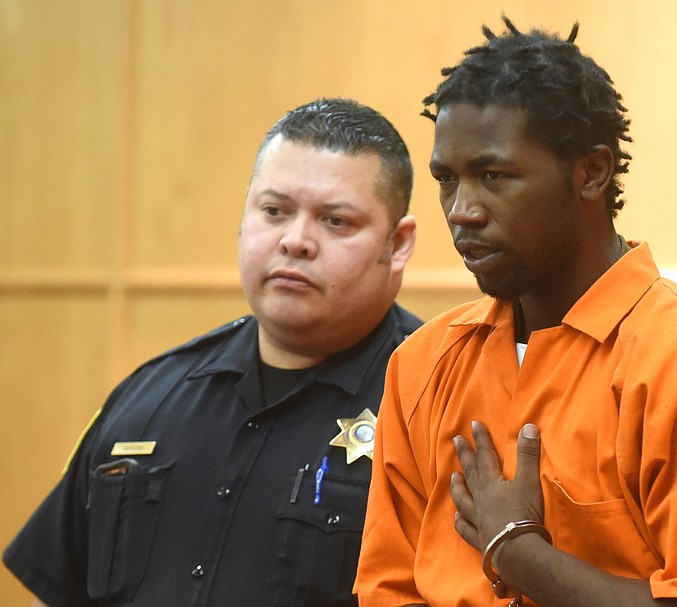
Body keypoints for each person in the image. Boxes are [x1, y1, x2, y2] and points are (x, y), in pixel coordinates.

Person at [354, 17, 677, 607]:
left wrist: (522, 556)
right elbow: (388, 591)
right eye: (446, 180)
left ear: (592, 172)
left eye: (494, 175)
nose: (462, 210)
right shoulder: (420, 366)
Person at [4, 97, 421, 607]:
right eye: (274, 211)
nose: (295, 241)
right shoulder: (149, 398)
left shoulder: (436, 401)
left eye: (335, 221)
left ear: (397, 244)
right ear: (244, 216)